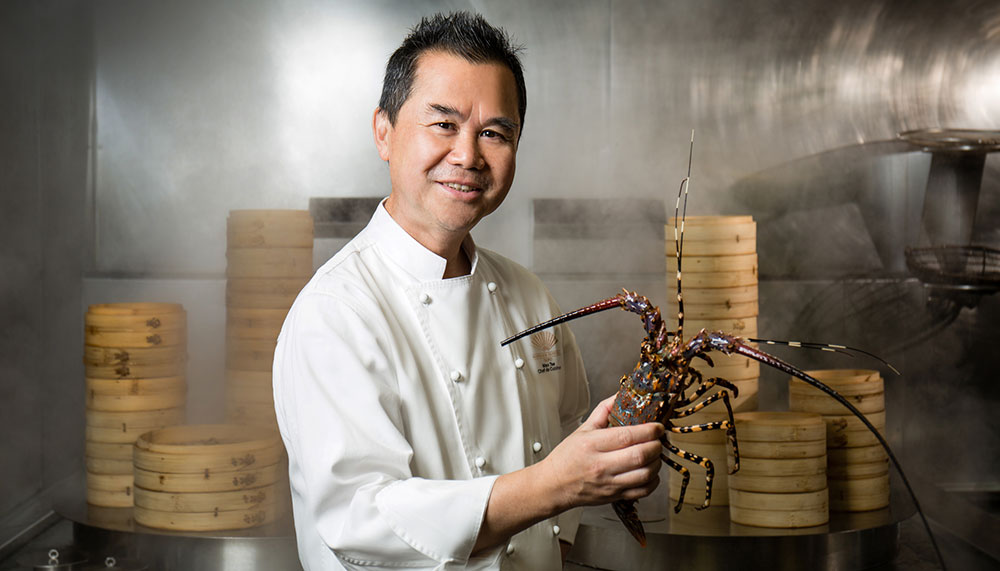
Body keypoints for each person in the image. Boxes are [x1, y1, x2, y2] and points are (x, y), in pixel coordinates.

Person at [273, 12, 664, 570]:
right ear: (384, 132)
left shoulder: (528, 295)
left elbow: (572, 428)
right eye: (443, 124)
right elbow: (359, 523)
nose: (468, 156)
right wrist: (554, 486)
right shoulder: (336, 312)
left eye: (494, 134)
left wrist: (559, 535)